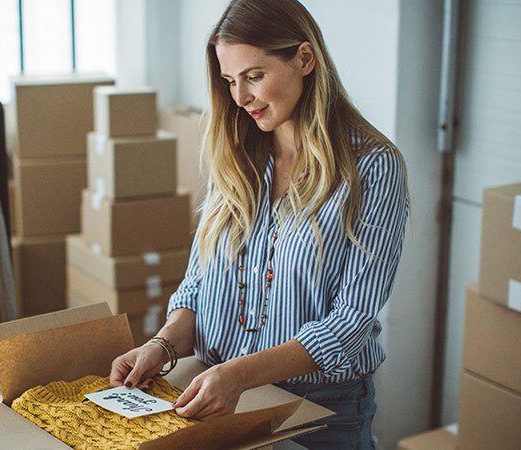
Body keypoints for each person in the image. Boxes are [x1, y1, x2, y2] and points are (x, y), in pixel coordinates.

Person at [109, 0, 409, 448]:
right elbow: (198, 284)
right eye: (230, 81)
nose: (240, 97)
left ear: (305, 59)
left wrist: (237, 375)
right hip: (220, 400)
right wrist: (164, 346)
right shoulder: (237, 157)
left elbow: (350, 323)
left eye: (253, 76)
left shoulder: (373, 167)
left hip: (321, 411)